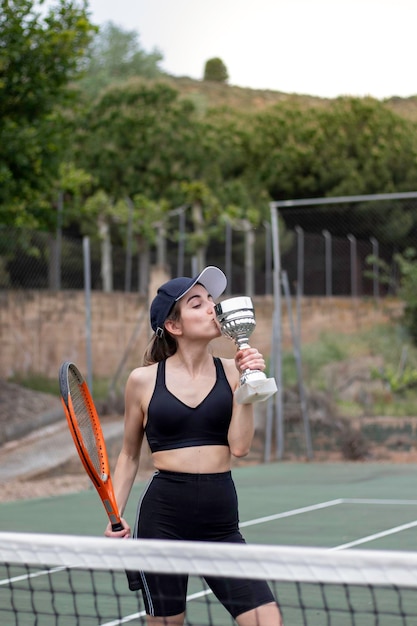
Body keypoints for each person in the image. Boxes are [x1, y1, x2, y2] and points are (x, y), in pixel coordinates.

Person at [105, 266, 283, 626]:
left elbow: (240, 447)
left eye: (211, 301)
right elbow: (128, 454)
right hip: (163, 518)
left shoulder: (233, 371)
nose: (211, 309)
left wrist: (249, 383)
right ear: (174, 325)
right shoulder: (141, 381)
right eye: (197, 304)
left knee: (267, 620)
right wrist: (114, 512)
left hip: (221, 521)